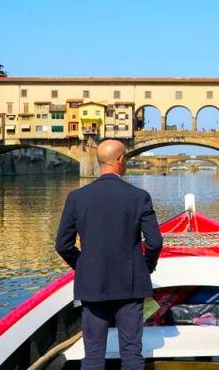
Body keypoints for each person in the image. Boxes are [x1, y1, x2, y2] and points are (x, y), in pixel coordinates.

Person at [55, 139, 163, 369]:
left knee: (93, 356)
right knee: (132, 354)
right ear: (120, 160)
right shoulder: (139, 196)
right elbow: (154, 242)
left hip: (92, 284)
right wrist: (145, 267)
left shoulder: (77, 197)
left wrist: (83, 265)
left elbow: (63, 245)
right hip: (130, 284)